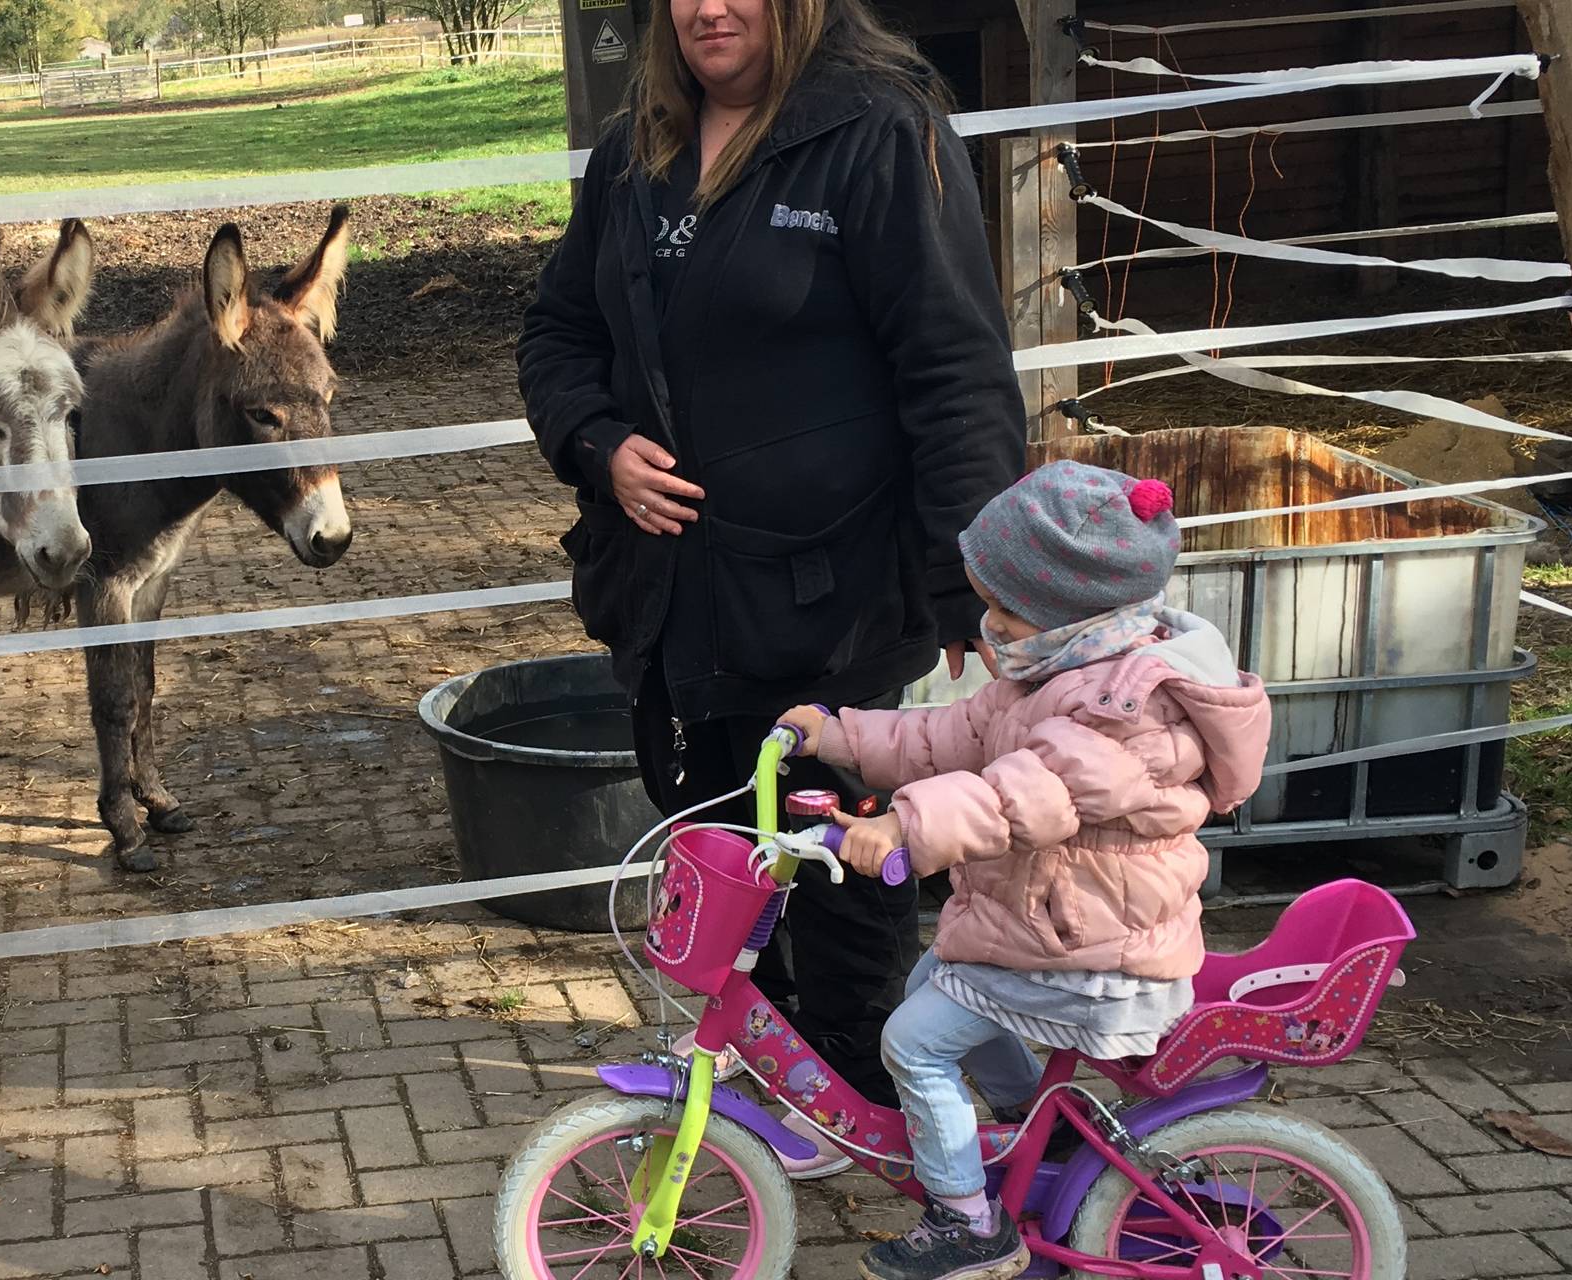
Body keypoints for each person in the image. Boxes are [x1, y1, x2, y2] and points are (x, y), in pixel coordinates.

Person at [517, 0, 1025, 1168]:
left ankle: (846, 1074)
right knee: (723, 825)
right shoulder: (633, 150)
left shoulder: (879, 135)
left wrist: (972, 580)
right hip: (680, 590)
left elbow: (951, 368)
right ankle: (773, 1056)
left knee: (835, 840)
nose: (707, 9)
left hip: (836, 589)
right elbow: (554, 332)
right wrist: (597, 442)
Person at [779, 461, 1273, 1280]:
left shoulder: (1124, 712)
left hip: (1098, 953)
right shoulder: (1058, 672)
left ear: (1073, 613)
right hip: (1054, 928)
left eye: (1005, 608)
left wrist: (907, 822)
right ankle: (1033, 1118)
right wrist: (840, 739)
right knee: (931, 983)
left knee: (914, 1043)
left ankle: (970, 1225)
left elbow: (1027, 793)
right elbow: (949, 737)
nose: (989, 624)